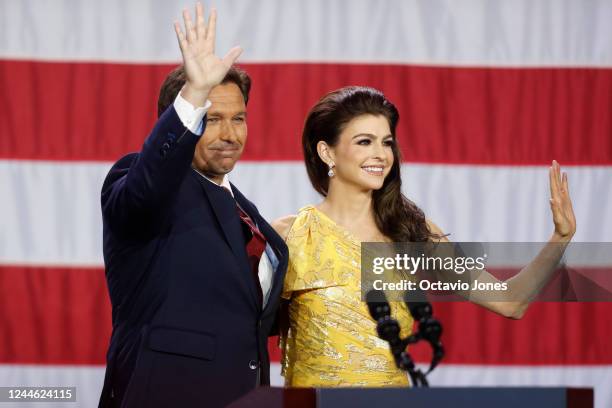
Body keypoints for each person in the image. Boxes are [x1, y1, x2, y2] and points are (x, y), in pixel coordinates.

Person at [273, 86, 576, 387]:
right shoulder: (291, 234)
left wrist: (561, 237)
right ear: (327, 152)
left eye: (387, 142)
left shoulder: (411, 230)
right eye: (365, 142)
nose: (380, 155)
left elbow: (511, 302)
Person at [99, 4, 287, 407]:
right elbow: (149, 183)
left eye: (238, 119)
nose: (230, 134)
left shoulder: (250, 216)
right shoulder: (140, 183)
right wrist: (195, 93)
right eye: (212, 118)